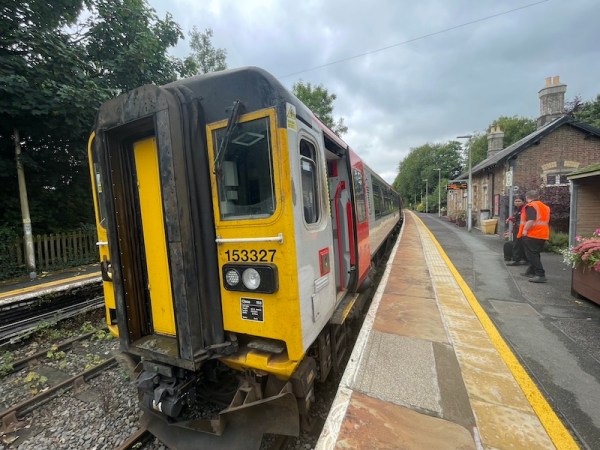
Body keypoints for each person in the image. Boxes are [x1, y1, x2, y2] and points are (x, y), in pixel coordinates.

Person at [517, 190, 551, 283]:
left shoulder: (531, 206)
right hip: (543, 234)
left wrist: (525, 230)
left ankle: (540, 274)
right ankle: (531, 272)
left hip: (532, 234)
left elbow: (531, 220)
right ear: (538, 197)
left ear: (527, 197)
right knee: (535, 254)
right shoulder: (545, 207)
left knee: (532, 255)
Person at [505, 196, 528, 265]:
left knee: (519, 245)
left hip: (521, 230)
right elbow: (516, 218)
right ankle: (520, 259)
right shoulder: (516, 209)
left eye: (519, 201)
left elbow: (523, 219)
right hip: (516, 229)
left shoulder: (524, 209)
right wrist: (510, 219)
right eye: (516, 201)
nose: (517, 202)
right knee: (517, 244)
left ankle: (517, 260)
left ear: (523, 202)